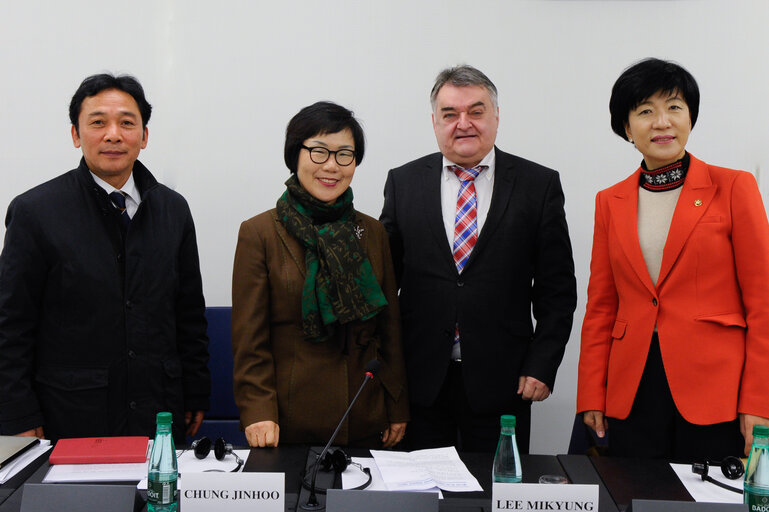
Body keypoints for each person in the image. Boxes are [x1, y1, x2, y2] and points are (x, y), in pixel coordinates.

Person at [0, 74, 210, 443]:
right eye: (98, 122)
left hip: (158, 413)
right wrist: (17, 412)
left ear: (144, 137)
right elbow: (10, 326)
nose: (113, 134)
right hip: (69, 417)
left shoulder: (173, 211)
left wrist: (195, 391)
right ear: (76, 135)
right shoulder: (35, 212)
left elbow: (188, 314)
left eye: (127, 123)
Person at [578, 58, 769, 460]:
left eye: (675, 108)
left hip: (716, 389)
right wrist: (592, 393)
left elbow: (763, 305)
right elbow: (601, 307)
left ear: (690, 119)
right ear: (627, 128)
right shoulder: (609, 201)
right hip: (632, 389)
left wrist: (758, 401)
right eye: (645, 111)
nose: (662, 122)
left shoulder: (734, 187)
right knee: (632, 495)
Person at [380, 65, 577, 453]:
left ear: (497, 117)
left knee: (495, 494)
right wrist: (387, 374)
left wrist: (542, 364)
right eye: (450, 114)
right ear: (435, 122)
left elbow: (557, 290)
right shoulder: (404, 183)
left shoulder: (538, 185)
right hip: (419, 382)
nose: (463, 123)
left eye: (476, 111)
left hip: (504, 382)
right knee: (420, 495)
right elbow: (386, 283)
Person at [232, 101, 408, 449]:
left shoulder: (372, 232)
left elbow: (389, 330)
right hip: (287, 421)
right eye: (318, 152)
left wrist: (397, 404)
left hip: (365, 416)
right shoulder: (260, 233)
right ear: (294, 155)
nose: (332, 166)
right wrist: (257, 410)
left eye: (345, 154)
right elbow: (250, 342)